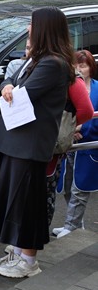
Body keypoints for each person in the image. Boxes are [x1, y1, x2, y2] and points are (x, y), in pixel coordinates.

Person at [0, 7, 76, 278]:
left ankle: (28, 261)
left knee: (27, 202)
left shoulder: (53, 63)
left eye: (32, 24)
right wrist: (6, 86)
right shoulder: (38, 59)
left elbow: (23, 93)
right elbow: (10, 80)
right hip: (20, 141)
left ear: (44, 28)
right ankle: (18, 251)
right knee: (17, 200)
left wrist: (10, 89)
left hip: (31, 143)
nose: (28, 28)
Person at [53, 50, 98, 237]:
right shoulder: (69, 85)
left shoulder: (97, 88)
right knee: (67, 185)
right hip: (69, 145)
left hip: (89, 147)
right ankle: (76, 224)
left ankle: (71, 227)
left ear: (91, 67)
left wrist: (82, 128)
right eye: (76, 65)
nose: (79, 69)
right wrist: (71, 130)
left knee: (80, 189)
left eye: (83, 66)